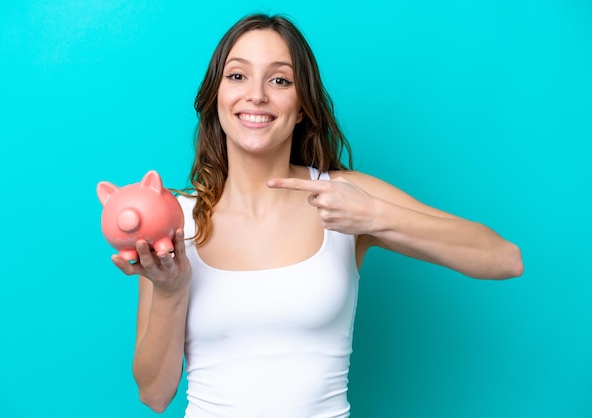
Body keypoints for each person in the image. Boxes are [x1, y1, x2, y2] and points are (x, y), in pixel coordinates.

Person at [111, 13, 524, 417]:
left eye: (280, 80)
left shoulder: (344, 197)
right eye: (237, 76)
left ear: (303, 105)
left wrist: (376, 215)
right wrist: (170, 290)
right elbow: (155, 394)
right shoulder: (175, 220)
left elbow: (505, 259)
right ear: (216, 97)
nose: (256, 94)